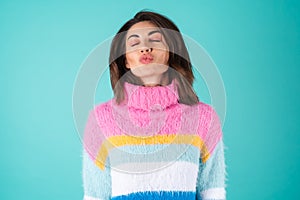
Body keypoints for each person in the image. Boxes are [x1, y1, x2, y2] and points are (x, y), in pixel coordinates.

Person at [82, 10, 226, 200]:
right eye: (134, 43)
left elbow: (212, 193)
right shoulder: (100, 119)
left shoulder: (204, 118)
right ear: (125, 60)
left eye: (155, 40)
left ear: (171, 52)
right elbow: (96, 195)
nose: (145, 48)